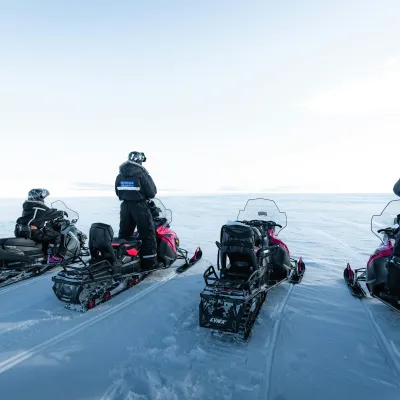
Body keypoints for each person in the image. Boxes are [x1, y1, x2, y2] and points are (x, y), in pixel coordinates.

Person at [115, 151, 158, 271]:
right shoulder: (141, 174)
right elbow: (151, 192)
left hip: (125, 206)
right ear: (140, 161)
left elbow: (118, 192)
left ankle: (122, 260)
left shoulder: (120, 175)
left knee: (124, 234)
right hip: (140, 206)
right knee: (147, 233)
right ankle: (149, 263)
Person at [14, 188, 63, 261]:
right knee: (56, 235)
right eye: (42, 197)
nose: (43, 199)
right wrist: (61, 213)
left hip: (22, 230)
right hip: (33, 232)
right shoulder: (39, 207)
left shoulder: (28, 206)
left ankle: (44, 254)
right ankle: (53, 257)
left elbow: (38, 218)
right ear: (38, 197)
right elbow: (50, 213)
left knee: (46, 233)